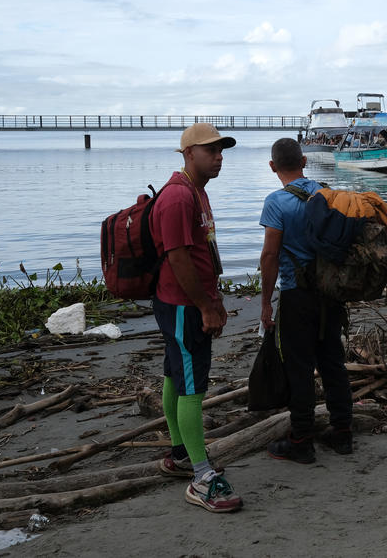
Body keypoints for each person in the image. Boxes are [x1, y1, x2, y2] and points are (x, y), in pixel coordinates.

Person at [150, 122, 242, 513]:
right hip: (183, 307)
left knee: (175, 374)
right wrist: (205, 306)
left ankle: (180, 454)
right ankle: (202, 478)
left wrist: (215, 297)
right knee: (192, 387)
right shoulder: (176, 198)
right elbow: (178, 258)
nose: (219, 156)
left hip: (186, 303)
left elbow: (204, 253)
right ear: (188, 153)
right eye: (211, 150)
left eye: (221, 150)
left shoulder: (196, 191)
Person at [260, 138, 353, 463]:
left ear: (272, 166)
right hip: (331, 292)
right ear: (304, 160)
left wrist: (266, 303)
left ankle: (301, 439)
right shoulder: (326, 192)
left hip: (297, 295)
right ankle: (342, 433)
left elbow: (270, 255)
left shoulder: (276, 202)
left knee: (299, 368)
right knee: (332, 362)